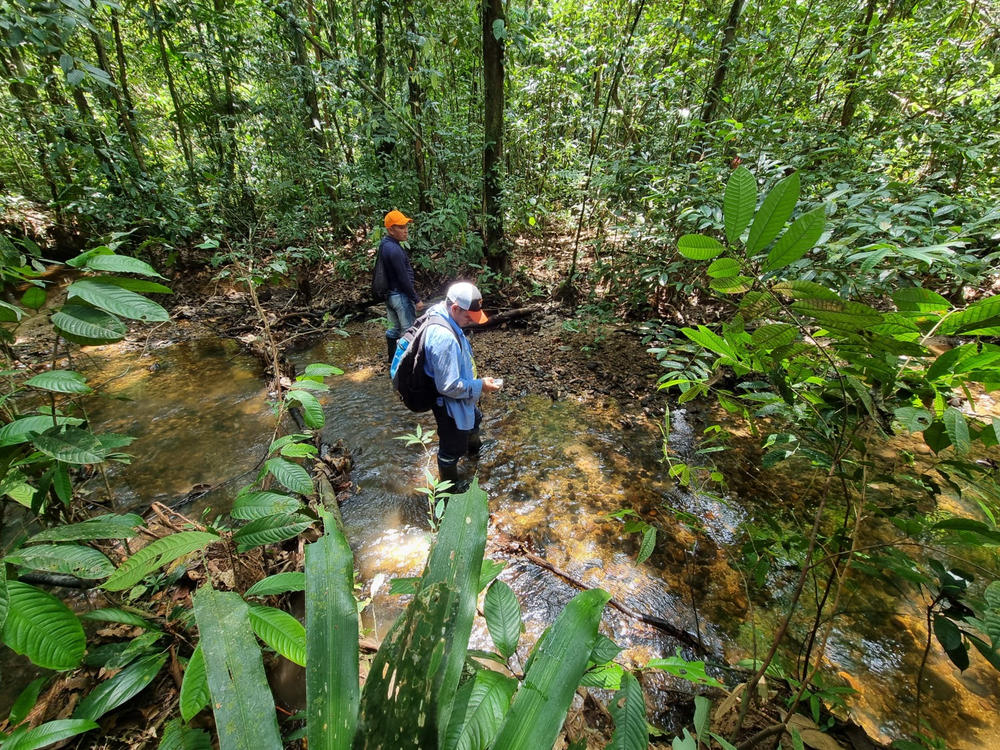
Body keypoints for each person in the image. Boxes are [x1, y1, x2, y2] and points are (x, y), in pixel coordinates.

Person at [423, 282, 502, 484]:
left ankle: (474, 451)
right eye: (468, 317)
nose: (471, 322)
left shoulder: (440, 312)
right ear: (455, 308)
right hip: (448, 405)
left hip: (460, 398)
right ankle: (449, 494)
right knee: (451, 451)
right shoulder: (444, 338)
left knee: (475, 419)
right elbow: (448, 387)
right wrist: (480, 386)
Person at [379, 210, 421, 362]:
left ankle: (392, 360)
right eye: (401, 227)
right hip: (400, 296)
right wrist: (416, 299)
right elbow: (403, 278)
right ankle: (406, 365)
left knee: (393, 329)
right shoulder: (394, 249)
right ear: (391, 230)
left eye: (405, 226)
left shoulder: (385, 244)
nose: (406, 230)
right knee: (409, 331)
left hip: (390, 295)